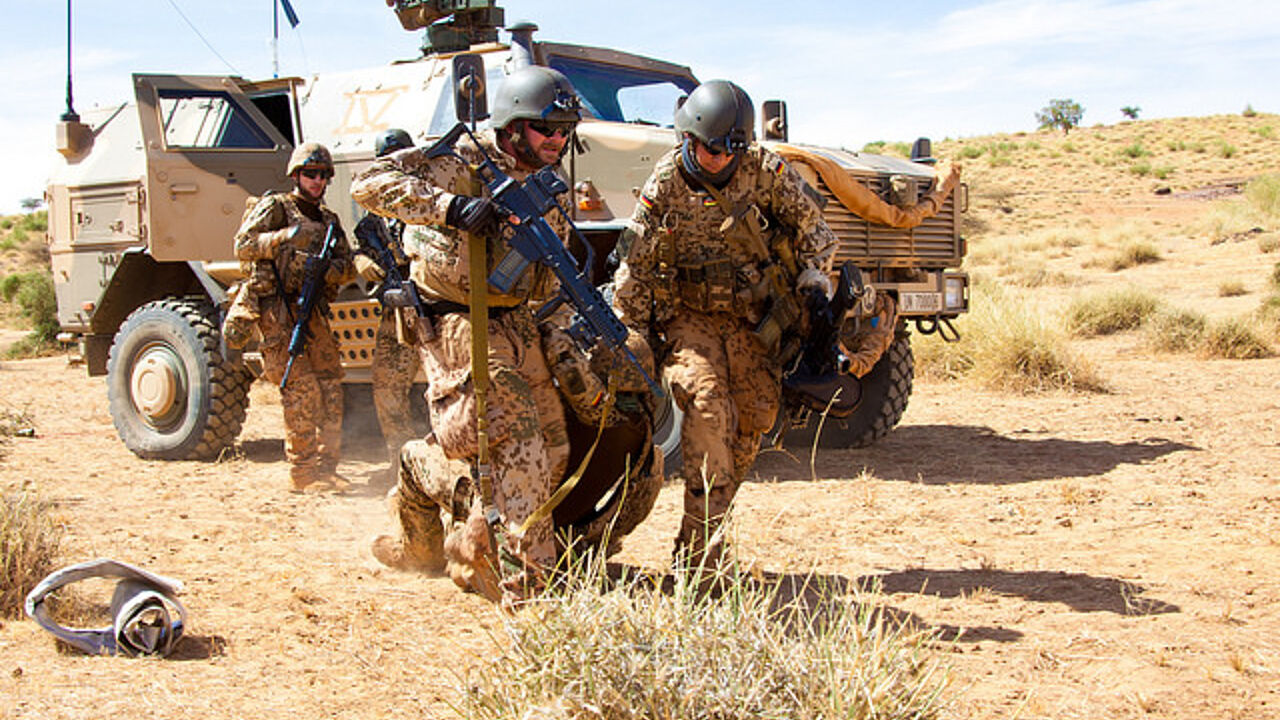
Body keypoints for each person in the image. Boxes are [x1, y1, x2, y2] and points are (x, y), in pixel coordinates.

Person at [351, 66, 585, 606]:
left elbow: (553, 271)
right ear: (511, 125)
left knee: (553, 440)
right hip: (456, 317)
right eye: (545, 129)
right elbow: (371, 184)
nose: (557, 140)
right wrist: (451, 208)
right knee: (515, 435)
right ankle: (530, 591)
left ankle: (462, 535)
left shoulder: (552, 187)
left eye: (565, 131)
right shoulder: (463, 162)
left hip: (517, 320)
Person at [611, 79, 843, 568]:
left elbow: (815, 233)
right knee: (708, 411)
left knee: (751, 422)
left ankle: (706, 532)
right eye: (709, 148)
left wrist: (814, 285)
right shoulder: (667, 181)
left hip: (754, 321)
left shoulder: (765, 171)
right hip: (688, 319)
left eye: (731, 149)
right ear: (689, 138)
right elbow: (633, 265)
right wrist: (626, 340)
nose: (719, 158)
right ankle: (700, 559)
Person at [233, 142, 356, 493]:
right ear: (296, 175)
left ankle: (327, 468)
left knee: (331, 389)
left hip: (314, 312)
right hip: (279, 311)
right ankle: (303, 474)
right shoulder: (276, 208)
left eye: (322, 175)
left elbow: (347, 265)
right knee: (300, 391)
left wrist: (328, 270)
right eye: (310, 174)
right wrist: (285, 238)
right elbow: (243, 244)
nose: (316, 181)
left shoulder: (329, 221)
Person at [351, 128, 422, 480]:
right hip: (396, 314)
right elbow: (358, 251)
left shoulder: (428, 202)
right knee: (388, 389)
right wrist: (360, 260)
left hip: (438, 311)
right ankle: (403, 467)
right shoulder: (371, 223)